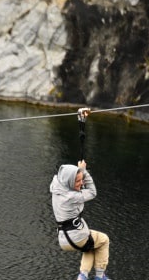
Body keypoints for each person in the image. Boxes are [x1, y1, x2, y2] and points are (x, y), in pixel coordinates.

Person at [51, 108, 111, 280]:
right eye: (77, 182)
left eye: (79, 181)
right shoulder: (72, 196)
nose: (79, 184)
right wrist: (84, 172)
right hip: (76, 235)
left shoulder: (58, 187)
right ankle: (99, 277)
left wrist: (78, 173)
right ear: (70, 181)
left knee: (91, 245)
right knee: (104, 240)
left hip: (64, 239)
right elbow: (92, 192)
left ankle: (83, 276)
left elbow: (68, 176)